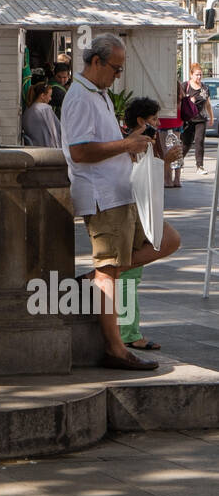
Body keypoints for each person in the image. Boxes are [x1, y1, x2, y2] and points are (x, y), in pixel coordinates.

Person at [60, 32, 180, 372]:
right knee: (111, 270)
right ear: (96, 62)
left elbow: (102, 146)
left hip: (120, 191)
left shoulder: (97, 94)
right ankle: (116, 347)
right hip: (103, 196)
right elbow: (80, 152)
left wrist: (136, 148)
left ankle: (96, 278)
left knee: (167, 239)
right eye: (115, 67)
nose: (118, 75)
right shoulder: (80, 97)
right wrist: (126, 145)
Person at [117, 97, 184, 352]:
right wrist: (165, 161)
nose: (158, 124)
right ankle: (128, 332)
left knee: (133, 272)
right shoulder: (135, 143)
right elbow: (138, 176)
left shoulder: (143, 143)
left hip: (139, 209)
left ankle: (129, 330)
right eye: (154, 119)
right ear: (141, 121)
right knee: (131, 270)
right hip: (133, 209)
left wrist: (165, 159)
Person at [181, 62, 214, 175]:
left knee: (199, 141)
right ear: (191, 75)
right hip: (188, 120)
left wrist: (211, 117)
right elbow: (178, 101)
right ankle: (179, 162)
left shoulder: (204, 88)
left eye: (200, 74)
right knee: (186, 143)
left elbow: (208, 104)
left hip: (201, 118)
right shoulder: (185, 86)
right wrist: (188, 100)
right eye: (197, 74)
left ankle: (200, 166)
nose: (199, 77)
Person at [158, 78, 184, 189]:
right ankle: (177, 179)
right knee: (177, 150)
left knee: (166, 152)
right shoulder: (179, 92)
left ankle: (167, 180)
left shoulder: (162, 91)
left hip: (164, 123)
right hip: (177, 123)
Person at [22, 80, 62, 147]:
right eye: (49, 96)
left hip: (34, 147)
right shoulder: (45, 109)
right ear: (42, 95)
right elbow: (55, 131)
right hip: (47, 149)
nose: (50, 99)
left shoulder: (28, 108)